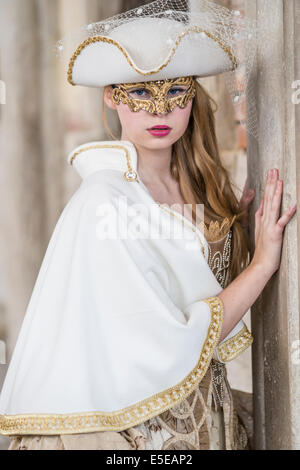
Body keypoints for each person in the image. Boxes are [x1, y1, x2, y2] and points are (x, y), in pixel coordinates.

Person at [0, 0, 296, 451]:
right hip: (140, 435)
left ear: (192, 96)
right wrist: (260, 265)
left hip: (206, 420)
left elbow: (196, 292)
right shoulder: (104, 200)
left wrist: (236, 232)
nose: (159, 110)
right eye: (139, 93)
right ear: (110, 95)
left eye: (175, 92)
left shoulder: (199, 187)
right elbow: (174, 334)